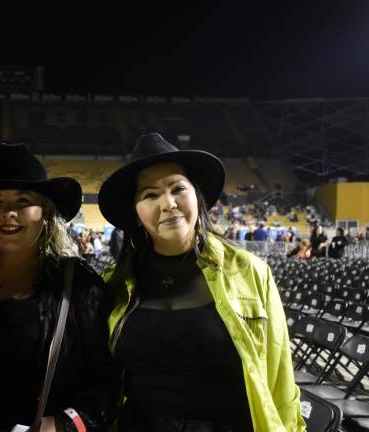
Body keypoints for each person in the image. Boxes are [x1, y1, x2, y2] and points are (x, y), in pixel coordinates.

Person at [98, 133, 304, 431]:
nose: (168, 203)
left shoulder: (251, 272)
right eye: (149, 195)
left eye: (177, 188)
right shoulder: (114, 284)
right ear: (136, 213)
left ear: (197, 196)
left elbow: (280, 376)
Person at [0, 143, 119, 431]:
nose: (8, 213)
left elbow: (109, 383)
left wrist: (66, 423)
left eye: (23, 201)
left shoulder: (78, 285)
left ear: (46, 212)